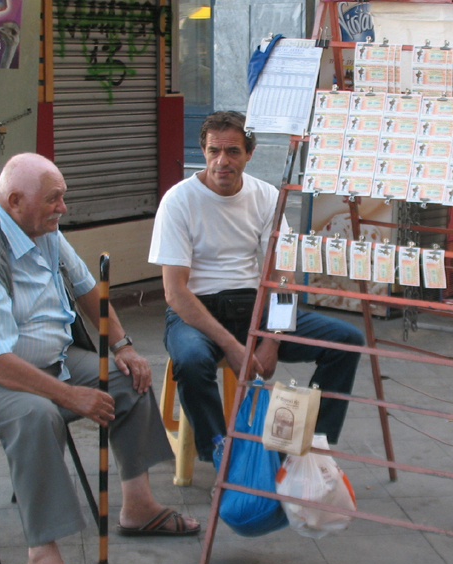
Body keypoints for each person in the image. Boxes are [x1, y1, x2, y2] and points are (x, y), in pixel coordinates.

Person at [0, 153, 199, 564]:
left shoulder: (41, 228)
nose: (63, 207)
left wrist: (123, 347)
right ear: (15, 201)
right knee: (36, 414)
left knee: (126, 380)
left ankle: (138, 506)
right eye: (54, 199)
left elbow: (87, 291)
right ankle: (42, 557)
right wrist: (70, 396)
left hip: (50, 359)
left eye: (63, 197)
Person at [149, 110, 364, 463]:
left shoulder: (266, 197)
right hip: (196, 313)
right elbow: (175, 292)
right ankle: (220, 451)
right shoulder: (178, 201)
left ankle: (310, 445)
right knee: (190, 360)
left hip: (255, 308)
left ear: (249, 154)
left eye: (233, 151)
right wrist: (232, 346)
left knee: (346, 341)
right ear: (202, 151)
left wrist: (271, 340)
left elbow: (283, 278)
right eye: (214, 151)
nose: (222, 161)